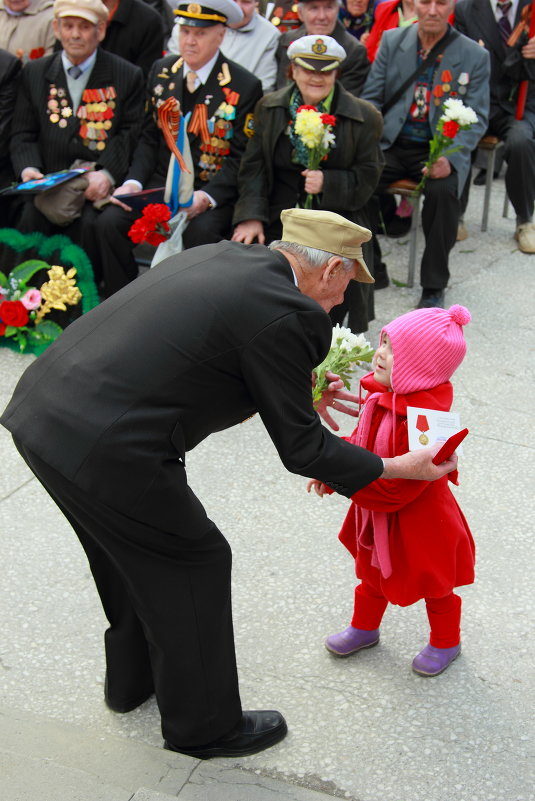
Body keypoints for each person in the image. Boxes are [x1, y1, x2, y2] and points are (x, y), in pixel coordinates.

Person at [1, 208, 459, 759]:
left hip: (44, 413)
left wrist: (290, 396)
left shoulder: (224, 255)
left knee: (123, 552)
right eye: (347, 285)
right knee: (196, 559)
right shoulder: (291, 312)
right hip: (109, 446)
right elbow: (304, 451)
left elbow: (205, 371)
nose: (341, 301)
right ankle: (204, 727)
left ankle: (132, 682)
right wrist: (396, 467)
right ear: (331, 270)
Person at [308, 304, 475, 677]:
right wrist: (334, 469)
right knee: (371, 571)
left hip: (421, 520)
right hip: (373, 507)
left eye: (394, 349)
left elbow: (399, 489)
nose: (380, 353)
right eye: (383, 341)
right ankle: (364, 628)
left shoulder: (426, 423)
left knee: (435, 581)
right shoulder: (378, 397)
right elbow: (361, 443)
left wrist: (342, 479)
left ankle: (447, 641)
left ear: (422, 368)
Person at [90, 0, 263, 287]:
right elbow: (148, 138)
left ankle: (186, 308)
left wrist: (206, 197)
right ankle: (124, 298)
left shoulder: (243, 85)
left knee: (201, 234)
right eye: (184, 32)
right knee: (109, 222)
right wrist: (133, 182)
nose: (190, 41)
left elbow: (240, 158)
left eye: (201, 33)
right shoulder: (162, 71)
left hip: (207, 188)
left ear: (221, 35)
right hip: (162, 182)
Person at [232, 34, 384, 333]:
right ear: (294, 70)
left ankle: (320, 346)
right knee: (256, 273)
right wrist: (251, 216)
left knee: (330, 288)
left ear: (336, 73)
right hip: (279, 214)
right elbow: (254, 166)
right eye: (308, 69)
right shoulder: (270, 106)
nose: (317, 77)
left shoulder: (364, 116)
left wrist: (329, 182)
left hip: (337, 219)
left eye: (325, 71)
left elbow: (370, 176)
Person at [8, 0, 144, 294]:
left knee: (94, 228)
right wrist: (29, 170)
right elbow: (22, 132)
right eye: (68, 26)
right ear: (56, 29)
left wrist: (107, 174)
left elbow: (129, 134)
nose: (75, 35)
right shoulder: (35, 72)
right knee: (29, 222)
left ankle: (88, 310)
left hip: (96, 189)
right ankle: (28, 308)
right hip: (49, 187)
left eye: (84, 27)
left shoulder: (127, 75)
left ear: (101, 31)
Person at [361, 0, 490, 308]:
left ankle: (434, 285)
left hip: (439, 148)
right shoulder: (392, 41)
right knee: (357, 182)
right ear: (412, 4)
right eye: (425, 2)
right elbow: (370, 100)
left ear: (452, 6)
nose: (432, 10)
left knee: (444, 193)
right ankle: (371, 266)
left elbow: (478, 118)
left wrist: (450, 158)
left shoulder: (475, 55)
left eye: (441, 2)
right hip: (392, 144)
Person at [455, 0, 535, 253]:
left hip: (518, 105)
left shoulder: (531, 8)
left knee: (521, 141)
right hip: (478, 100)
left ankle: (524, 220)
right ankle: (455, 214)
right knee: (457, 137)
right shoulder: (466, 9)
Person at [167, 0, 280, 92]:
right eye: (233, 1)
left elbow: (264, 88)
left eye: (246, 2)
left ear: (257, 3)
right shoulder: (186, 26)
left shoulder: (269, 35)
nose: (238, 8)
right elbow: (170, 71)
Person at [275, 0, 370, 97]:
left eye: (329, 8)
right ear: (300, 13)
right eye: (314, 8)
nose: (322, 16)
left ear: (337, 10)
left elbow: (346, 103)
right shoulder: (286, 41)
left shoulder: (354, 51)